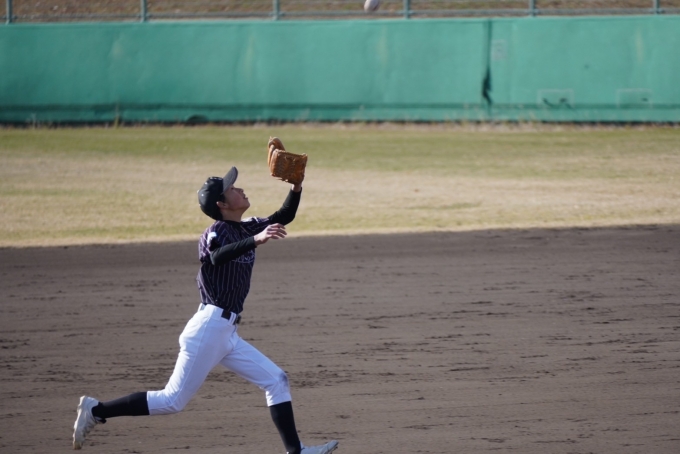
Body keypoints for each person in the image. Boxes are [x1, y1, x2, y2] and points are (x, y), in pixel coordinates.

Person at [73, 166, 339, 454]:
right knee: (171, 401)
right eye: (232, 189)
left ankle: (296, 451)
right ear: (221, 204)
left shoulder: (246, 226)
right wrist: (256, 240)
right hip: (209, 329)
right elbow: (214, 257)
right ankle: (96, 410)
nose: (240, 189)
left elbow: (283, 216)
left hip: (226, 333)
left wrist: (296, 187)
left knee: (277, 380)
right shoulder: (216, 231)